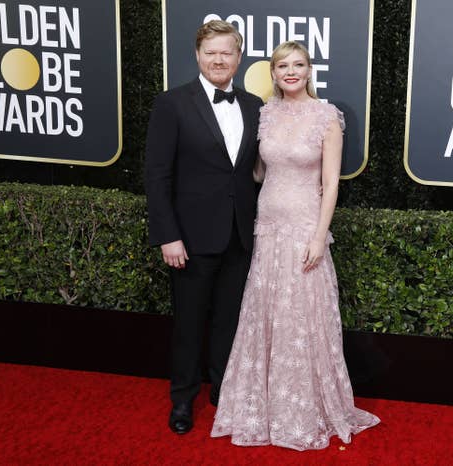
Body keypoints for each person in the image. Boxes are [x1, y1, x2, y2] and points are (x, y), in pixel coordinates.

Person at [211, 41, 380, 451]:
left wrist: (320, 236)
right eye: (282, 65)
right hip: (267, 227)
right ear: (272, 72)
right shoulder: (264, 115)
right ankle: (266, 408)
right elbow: (256, 170)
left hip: (304, 229)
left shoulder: (327, 118)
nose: (290, 71)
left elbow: (331, 183)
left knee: (303, 320)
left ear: (309, 70)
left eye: (298, 64)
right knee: (266, 316)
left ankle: (305, 409)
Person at [144, 20, 263, 435]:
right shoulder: (172, 104)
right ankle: (182, 401)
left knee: (230, 321)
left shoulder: (253, 105)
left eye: (226, 52)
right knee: (189, 324)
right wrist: (168, 235)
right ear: (197, 55)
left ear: (238, 57)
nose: (218, 59)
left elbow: (253, 172)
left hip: (239, 236)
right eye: (211, 52)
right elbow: (157, 176)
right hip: (190, 239)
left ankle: (223, 393)